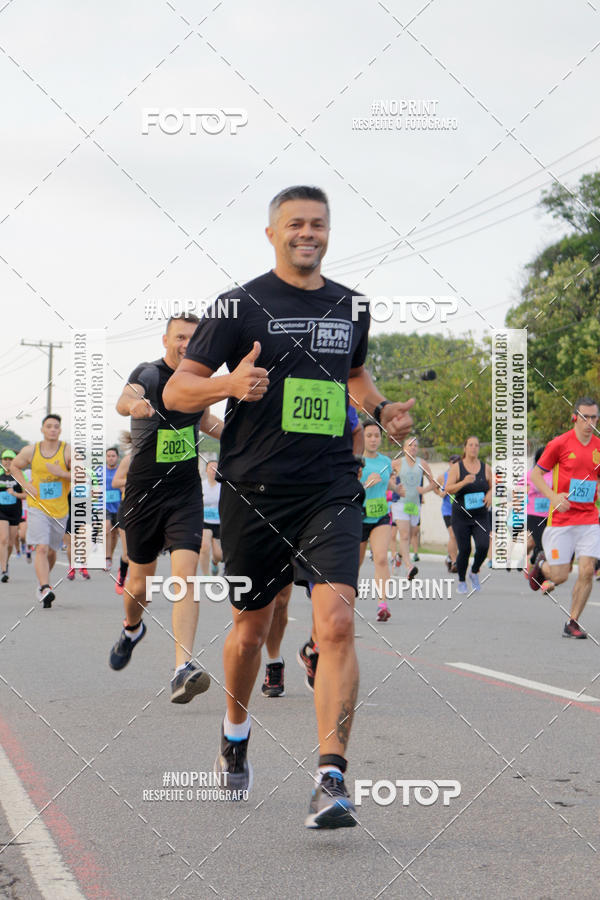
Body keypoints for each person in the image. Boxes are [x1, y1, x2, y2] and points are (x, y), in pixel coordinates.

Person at [164, 184, 414, 828]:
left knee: (334, 625)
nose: (309, 232)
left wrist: (381, 410)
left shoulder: (350, 306)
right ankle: (235, 731)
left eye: (319, 224)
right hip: (255, 490)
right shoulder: (237, 304)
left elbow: (354, 375)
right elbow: (180, 388)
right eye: (296, 224)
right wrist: (226, 383)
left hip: (331, 484)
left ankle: (331, 778)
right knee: (250, 630)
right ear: (272, 233)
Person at [107, 313, 223, 705]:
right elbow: (125, 398)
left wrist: (247, 434)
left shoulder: (200, 380)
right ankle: (132, 627)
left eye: (194, 337)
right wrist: (133, 406)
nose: (187, 344)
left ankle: (182, 668)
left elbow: (205, 419)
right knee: (138, 585)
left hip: (183, 494)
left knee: (185, 576)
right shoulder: (151, 374)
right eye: (180, 337)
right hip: (142, 495)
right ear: (166, 340)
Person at [261, 409, 365, 699]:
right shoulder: (273, 387)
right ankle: (273, 662)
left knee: (325, 595)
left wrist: (354, 462)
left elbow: (355, 431)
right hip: (279, 507)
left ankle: (314, 649)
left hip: (322, 508)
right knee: (279, 598)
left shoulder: (331, 386)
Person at [527, 398, 600, 638]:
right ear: (575, 418)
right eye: (585, 417)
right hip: (562, 520)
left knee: (587, 570)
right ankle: (541, 565)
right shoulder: (559, 443)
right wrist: (553, 496)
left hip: (589, 519)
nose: (590, 422)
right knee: (560, 576)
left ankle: (572, 622)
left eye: (594, 418)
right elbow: (536, 474)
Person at [11, 414, 71, 608]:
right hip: (38, 507)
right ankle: (45, 587)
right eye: (49, 426)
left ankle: (42, 582)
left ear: (60, 430)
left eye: (56, 426)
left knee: (52, 551)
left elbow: (83, 475)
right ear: (42, 429)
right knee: (42, 548)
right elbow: (14, 467)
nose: (52, 429)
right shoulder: (31, 450)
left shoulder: (67, 451)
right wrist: (26, 485)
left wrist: (61, 473)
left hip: (60, 509)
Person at [445, 436, 492, 594]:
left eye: (476, 445)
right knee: (464, 549)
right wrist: (464, 482)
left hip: (480, 515)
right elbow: (448, 489)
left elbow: (494, 486)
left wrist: (491, 494)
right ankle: (461, 581)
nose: (474, 448)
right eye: (470, 445)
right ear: (465, 448)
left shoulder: (486, 468)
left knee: (484, 545)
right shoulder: (457, 468)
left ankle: (474, 571)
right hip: (461, 516)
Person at [390, 436, 439, 579]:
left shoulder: (422, 463)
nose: (413, 448)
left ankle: (398, 557)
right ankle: (409, 566)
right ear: (404, 448)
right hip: (399, 503)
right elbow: (384, 475)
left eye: (415, 446)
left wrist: (425, 490)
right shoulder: (397, 463)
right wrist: (394, 487)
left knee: (411, 535)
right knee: (404, 535)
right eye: (410, 445)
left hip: (414, 505)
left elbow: (434, 482)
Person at [359, 422, 393, 621]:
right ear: (362, 438)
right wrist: (365, 484)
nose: (373, 439)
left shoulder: (386, 461)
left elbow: (387, 481)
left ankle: (383, 604)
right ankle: (347, 604)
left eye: (376, 436)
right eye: (369, 435)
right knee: (356, 563)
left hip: (381, 515)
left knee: (381, 558)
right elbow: (347, 489)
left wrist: (398, 490)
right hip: (360, 515)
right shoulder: (355, 462)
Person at [0, 449, 27, 582]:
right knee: (3, 539)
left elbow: (28, 495)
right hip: (1, 512)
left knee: (10, 543)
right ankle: (3, 570)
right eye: (5, 459)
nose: (7, 461)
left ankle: (6, 563)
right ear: (1, 460)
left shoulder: (20, 476)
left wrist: (15, 494)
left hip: (15, 512)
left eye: (11, 459)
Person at [111, 439, 131, 595]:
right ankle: (122, 576)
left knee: (146, 553)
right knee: (128, 554)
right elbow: (115, 482)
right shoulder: (130, 459)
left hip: (149, 510)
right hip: (128, 509)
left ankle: (142, 587)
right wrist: (135, 480)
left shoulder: (159, 457)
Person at [200, 460, 222, 577]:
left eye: (216, 468)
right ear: (206, 470)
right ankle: (206, 576)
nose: (213, 471)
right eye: (211, 468)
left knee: (219, 555)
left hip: (219, 522)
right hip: (205, 521)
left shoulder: (222, 487)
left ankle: (214, 562)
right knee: (204, 547)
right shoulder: (202, 486)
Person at [441, 454, 461, 572]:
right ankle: (454, 562)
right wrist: (440, 493)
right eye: (454, 462)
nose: (456, 464)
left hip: (460, 511)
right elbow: (434, 486)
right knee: (453, 535)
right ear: (450, 463)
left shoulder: (463, 476)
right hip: (448, 510)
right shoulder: (444, 476)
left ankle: (450, 557)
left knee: (458, 537)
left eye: (458, 462)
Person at [104, 447, 121, 571]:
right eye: (108, 456)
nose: (110, 458)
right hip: (105, 505)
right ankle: (107, 558)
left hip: (119, 505)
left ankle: (110, 555)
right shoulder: (100, 471)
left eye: (113, 456)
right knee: (107, 528)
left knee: (114, 534)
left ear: (117, 457)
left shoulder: (121, 471)